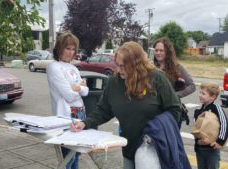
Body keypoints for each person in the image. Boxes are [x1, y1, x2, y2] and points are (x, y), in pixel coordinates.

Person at [71, 41, 182, 169]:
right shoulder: (114, 82)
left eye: (123, 66)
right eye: (117, 65)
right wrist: (84, 123)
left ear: (137, 64)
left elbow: (174, 109)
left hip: (155, 151)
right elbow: (103, 110)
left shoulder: (156, 78)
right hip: (129, 149)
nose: (118, 70)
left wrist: (157, 133)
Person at [46, 32, 89, 169]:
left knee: (76, 154)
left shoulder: (74, 68)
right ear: (59, 48)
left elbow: (86, 91)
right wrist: (80, 87)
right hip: (66, 114)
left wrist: (79, 88)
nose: (71, 52)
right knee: (68, 157)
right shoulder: (54, 67)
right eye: (67, 48)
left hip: (80, 113)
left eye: (73, 49)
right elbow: (69, 95)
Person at [153, 37, 196, 128]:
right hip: (155, 112)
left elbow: (192, 86)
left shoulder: (177, 67)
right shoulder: (151, 67)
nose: (158, 53)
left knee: (170, 141)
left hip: (171, 113)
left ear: (168, 52)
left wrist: (174, 95)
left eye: (161, 50)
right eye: (156, 50)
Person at [194, 83, 228, 169]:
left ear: (213, 97)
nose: (200, 95)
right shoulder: (200, 110)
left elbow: (224, 124)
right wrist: (197, 141)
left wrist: (219, 142)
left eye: (203, 94)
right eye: (200, 92)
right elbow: (197, 129)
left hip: (212, 149)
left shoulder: (216, 108)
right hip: (200, 148)